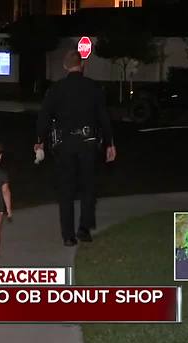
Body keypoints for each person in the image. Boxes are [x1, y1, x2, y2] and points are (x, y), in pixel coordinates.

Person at [34, 50, 117, 247]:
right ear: (82, 65)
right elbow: (104, 117)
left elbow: (44, 116)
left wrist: (39, 139)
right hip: (88, 143)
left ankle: (68, 235)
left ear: (64, 66)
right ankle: (84, 229)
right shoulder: (94, 87)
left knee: (66, 189)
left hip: (64, 145)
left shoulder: (56, 89)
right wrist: (110, 143)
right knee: (88, 187)